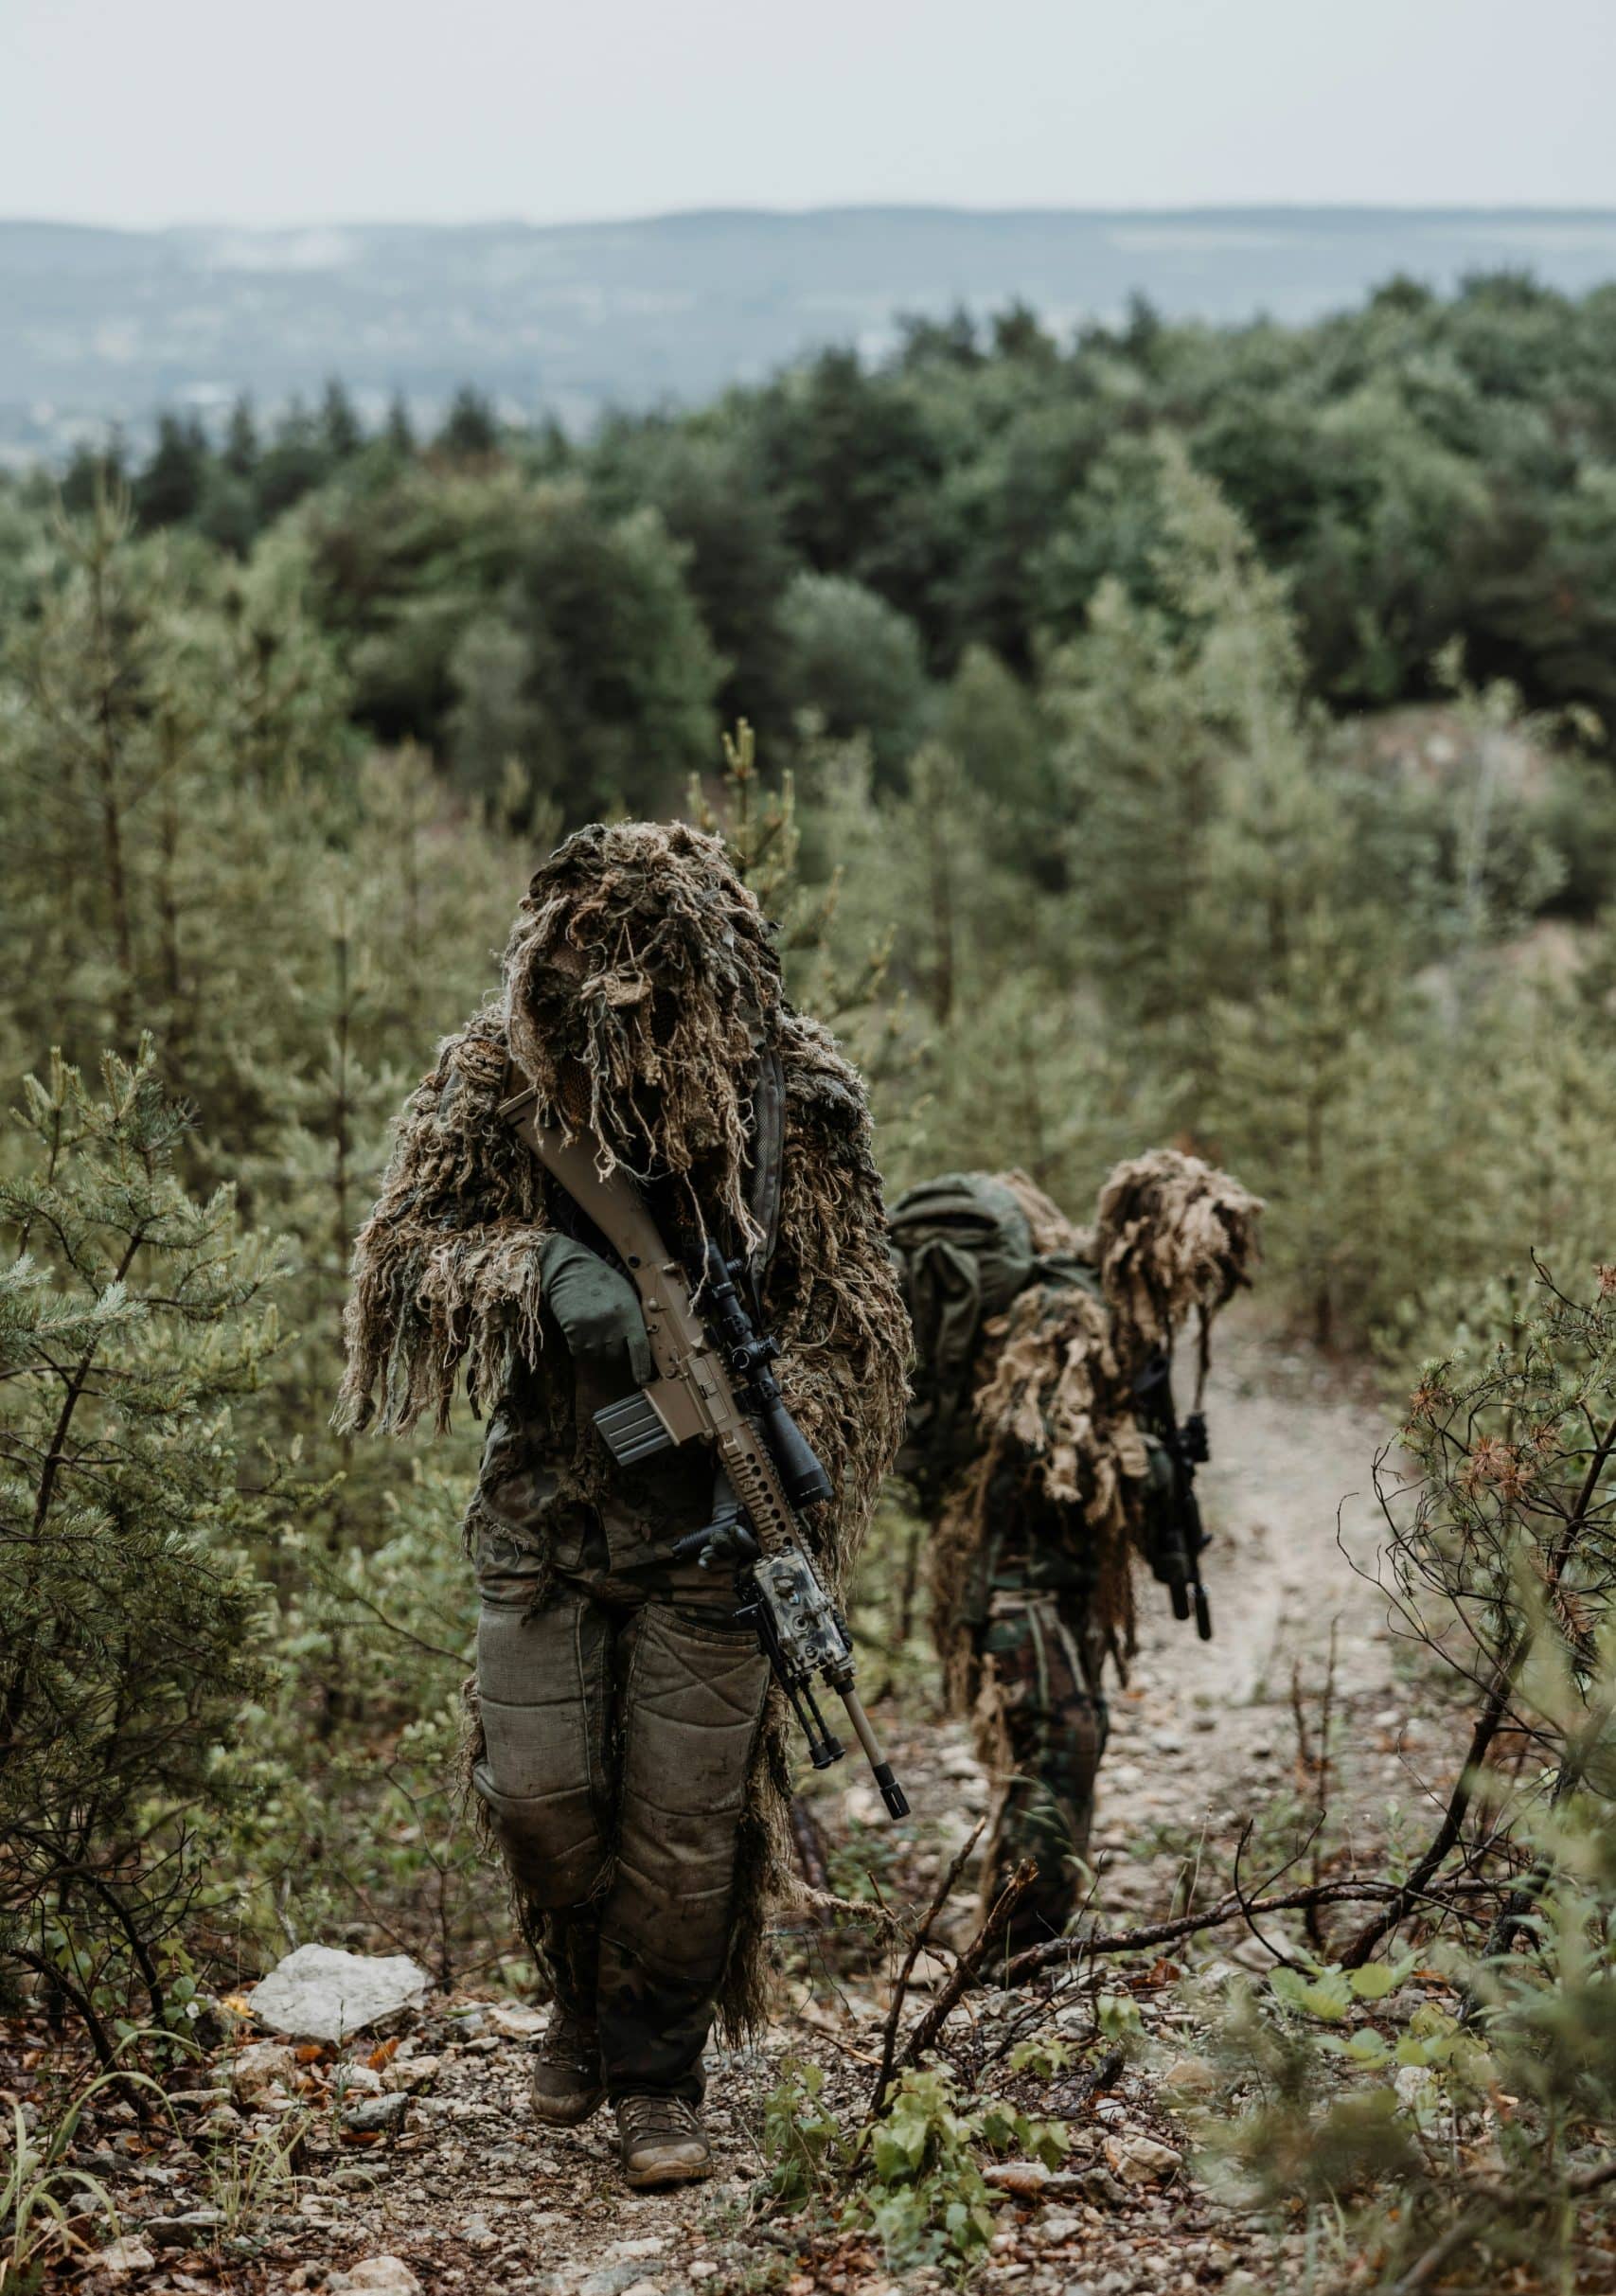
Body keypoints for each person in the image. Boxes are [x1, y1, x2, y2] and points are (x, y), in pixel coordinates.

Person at [338, 821, 908, 2187]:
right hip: (542, 1511)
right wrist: (536, 1270)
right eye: (600, 1005)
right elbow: (401, 1260)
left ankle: (657, 2076)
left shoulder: (798, 1096)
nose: (630, 1042)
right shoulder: (498, 1072)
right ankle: (581, 2007)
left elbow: (859, 1327)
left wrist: (762, 1437)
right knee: (537, 1796)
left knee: (687, 1829)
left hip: (715, 1519)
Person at [888, 1152, 1260, 1950]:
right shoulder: (1066, 1309)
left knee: (1064, 1748)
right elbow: (1036, 1452)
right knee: (1055, 1750)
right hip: (1011, 1582)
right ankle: (1015, 1953)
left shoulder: (1123, 1327)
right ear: (1146, 1245)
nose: (1193, 1287)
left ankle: (1027, 1938)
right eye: (1187, 1264)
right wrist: (1147, 1460)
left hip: (1057, 1582)